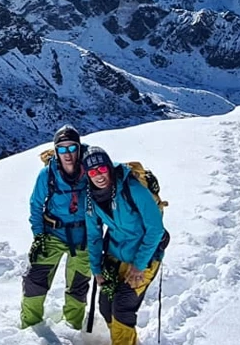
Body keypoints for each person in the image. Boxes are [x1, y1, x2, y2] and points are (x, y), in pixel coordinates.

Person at [83, 146, 168, 345]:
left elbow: (155, 229)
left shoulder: (132, 188)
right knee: (105, 307)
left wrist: (138, 265)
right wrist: (96, 269)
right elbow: (93, 235)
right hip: (114, 257)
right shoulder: (91, 199)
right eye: (93, 172)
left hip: (145, 258)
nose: (99, 175)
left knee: (122, 307)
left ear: (109, 167)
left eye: (102, 169)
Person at [21, 125, 94, 329]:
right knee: (35, 281)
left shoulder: (90, 171)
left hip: (84, 237)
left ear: (79, 149)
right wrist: (39, 236)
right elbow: (36, 205)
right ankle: (30, 327)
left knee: (78, 287)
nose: (68, 154)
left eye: (72, 148)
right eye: (62, 149)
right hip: (52, 234)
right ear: (56, 151)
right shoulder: (47, 175)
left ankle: (73, 327)